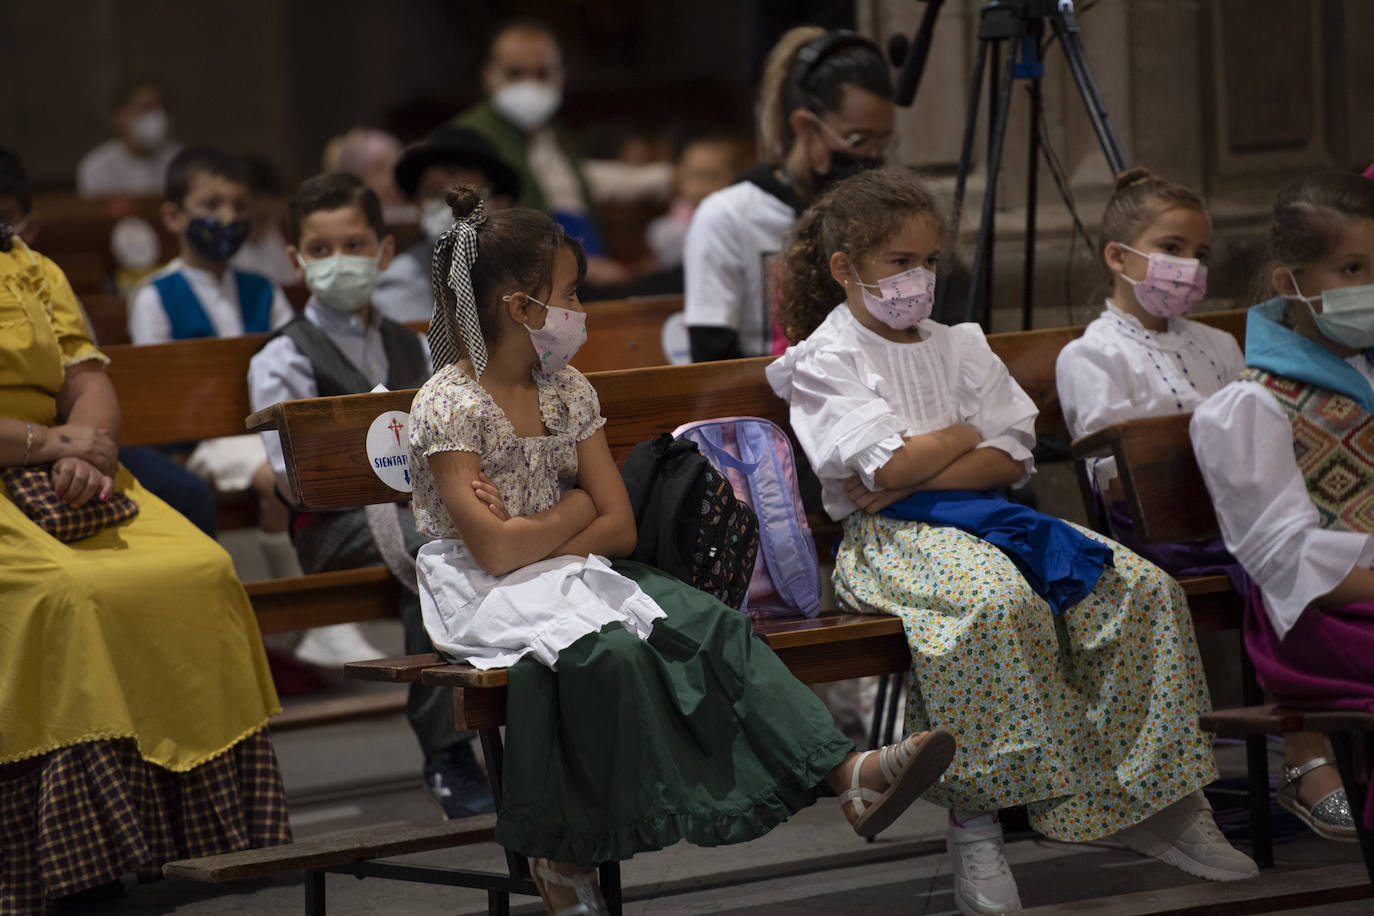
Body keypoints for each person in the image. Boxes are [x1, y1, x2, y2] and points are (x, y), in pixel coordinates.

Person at [408, 185, 955, 915]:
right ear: (520, 308)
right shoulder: (447, 405)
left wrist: (556, 519)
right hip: (481, 588)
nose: (580, 311)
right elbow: (498, 555)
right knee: (607, 656)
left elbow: (621, 528)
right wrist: (576, 508)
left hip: (575, 570)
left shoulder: (564, 388)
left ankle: (848, 772)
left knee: (708, 622)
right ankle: (566, 853)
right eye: (570, 294)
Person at [768, 169, 1257, 915]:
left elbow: (1013, 452)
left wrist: (934, 455)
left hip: (994, 519)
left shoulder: (959, 343)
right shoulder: (826, 358)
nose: (918, 278)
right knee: (993, 606)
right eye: (899, 262)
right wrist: (959, 441)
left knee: (1142, 589)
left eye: (929, 262)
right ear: (846, 269)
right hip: (893, 538)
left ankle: (1164, 804)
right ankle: (978, 823)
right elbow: (887, 473)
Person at [0, 215, 289, 913]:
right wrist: (50, 442)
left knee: (201, 568)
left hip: (66, 460)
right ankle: (83, 860)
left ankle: (197, 831)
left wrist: (84, 444)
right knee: (68, 595)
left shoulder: (28, 264)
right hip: (23, 457)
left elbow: (87, 374)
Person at [1056, 168, 1354, 842]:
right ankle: (1306, 751)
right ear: (1118, 256)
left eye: (1199, 252)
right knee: (1279, 561)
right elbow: (1108, 474)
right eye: (1172, 247)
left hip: (1236, 514)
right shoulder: (1091, 354)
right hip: (1159, 529)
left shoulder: (1219, 343)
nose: (1188, 267)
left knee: (1333, 540)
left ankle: (1346, 726)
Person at [248, 171, 492, 816]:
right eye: (321, 251)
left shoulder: (410, 344)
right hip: (333, 531)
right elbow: (293, 482)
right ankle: (448, 753)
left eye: (354, 245)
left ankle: (513, 728)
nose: (339, 262)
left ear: (384, 252)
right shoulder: (284, 358)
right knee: (439, 554)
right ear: (297, 260)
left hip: (426, 510)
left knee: (476, 536)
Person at [1191, 170, 1374, 845]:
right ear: (1290, 282)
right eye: (1352, 267)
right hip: (1322, 623)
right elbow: (1285, 560)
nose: (1369, 284)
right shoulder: (1251, 407)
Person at [685, 27, 892, 362]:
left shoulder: (883, 214)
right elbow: (712, 357)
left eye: (881, 142)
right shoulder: (728, 216)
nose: (871, 156)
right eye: (857, 140)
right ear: (805, 127)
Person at [452, 19, 633, 288]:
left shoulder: (554, 131)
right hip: (530, 281)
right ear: (489, 76)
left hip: (585, 265)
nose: (530, 84)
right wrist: (567, 264)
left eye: (542, 73)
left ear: (560, 74)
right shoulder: (466, 137)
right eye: (516, 73)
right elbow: (484, 229)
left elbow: (583, 179)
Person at [374, 125, 521, 323]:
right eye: (435, 194)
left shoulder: (525, 272)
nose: (451, 207)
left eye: (466, 194)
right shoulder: (400, 282)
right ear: (417, 204)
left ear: (499, 203)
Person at [645, 131, 739, 271]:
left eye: (712, 177)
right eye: (694, 176)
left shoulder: (734, 217)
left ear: (734, 179)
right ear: (680, 177)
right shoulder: (678, 214)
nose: (702, 187)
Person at [76, 76, 182, 198]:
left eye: (161, 108)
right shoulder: (96, 167)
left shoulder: (178, 160)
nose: (156, 117)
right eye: (145, 108)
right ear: (119, 115)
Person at [231, 153, 298, 287]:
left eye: (262, 219)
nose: (253, 227)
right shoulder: (223, 248)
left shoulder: (281, 237)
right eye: (248, 219)